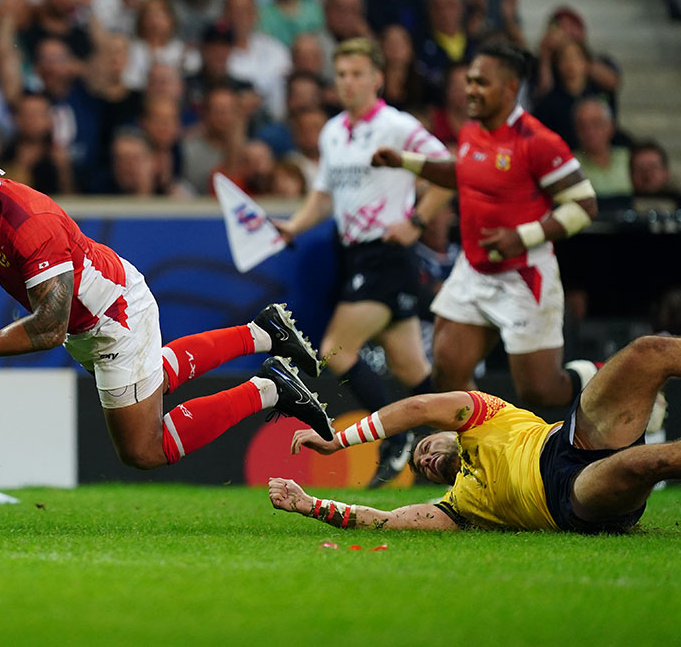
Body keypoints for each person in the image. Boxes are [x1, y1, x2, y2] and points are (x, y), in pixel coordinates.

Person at [0, 122, 334, 470]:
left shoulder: (30, 221)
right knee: (151, 381)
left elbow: (48, 330)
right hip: (83, 320)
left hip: (111, 314)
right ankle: (262, 334)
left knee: (143, 449)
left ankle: (270, 388)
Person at [372, 42, 598, 408]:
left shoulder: (538, 141)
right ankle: (476, 454)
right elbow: (462, 174)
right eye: (469, 81)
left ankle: (606, 377)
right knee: (446, 374)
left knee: (540, 391)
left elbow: (585, 205)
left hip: (523, 274)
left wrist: (522, 237)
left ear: (510, 88)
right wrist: (405, 161)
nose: (470, 90)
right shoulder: (472, 130)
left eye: (481, 83)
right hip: (474, 270)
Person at [273, 38, 453, 487]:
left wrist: (416, 220)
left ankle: (396, 439)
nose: (347, 82)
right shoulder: (333, 131)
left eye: (356, 74)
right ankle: (468, 448)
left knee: (335, 348)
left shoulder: (396, 125)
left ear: (378, 78)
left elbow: (448, 170)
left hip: (386, 254)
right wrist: (294, 225)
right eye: (341, 75)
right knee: (411, 367)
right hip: (356, 253)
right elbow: (324, 196)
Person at [271, 335, 681, 532]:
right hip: (569, 495)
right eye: (425, 469)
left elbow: (417, 408)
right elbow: (388, 520)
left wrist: (336, 441)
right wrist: (311, 505)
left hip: (569, 439)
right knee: (643, 463)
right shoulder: (460, 505)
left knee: (649, 352)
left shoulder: (487, 413)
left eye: (425, 447)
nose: (426, 460)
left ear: (448, 433)